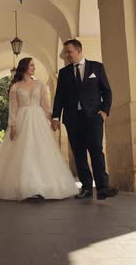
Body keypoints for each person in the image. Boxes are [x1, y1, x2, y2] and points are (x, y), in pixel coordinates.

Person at [0, 57, 78, 200]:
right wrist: (12, 126)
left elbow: (45, 106)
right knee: (24, 152)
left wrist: (53, 120)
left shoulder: (40, 85)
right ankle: (27, 187)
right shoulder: (15, 87)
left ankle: (42, 186)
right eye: (32, 65)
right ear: (25, 67)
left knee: (40, 151)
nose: (34, 68)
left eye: (34, 66)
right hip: (22, 120)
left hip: (38, 121)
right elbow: (13, 108)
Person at [51, 39, 119, 200]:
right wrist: (55, 117)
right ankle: (86, 188)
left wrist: (104, 111)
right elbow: (59, 97)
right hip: (72, 119)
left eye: (69, 52)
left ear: (79, 51)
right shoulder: (64, 73)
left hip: (94, 117)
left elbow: (107, 91)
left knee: (96, 150)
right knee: (79, 153)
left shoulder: (97, 67)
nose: (66, 55)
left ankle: (102, 187)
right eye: (66, 52)